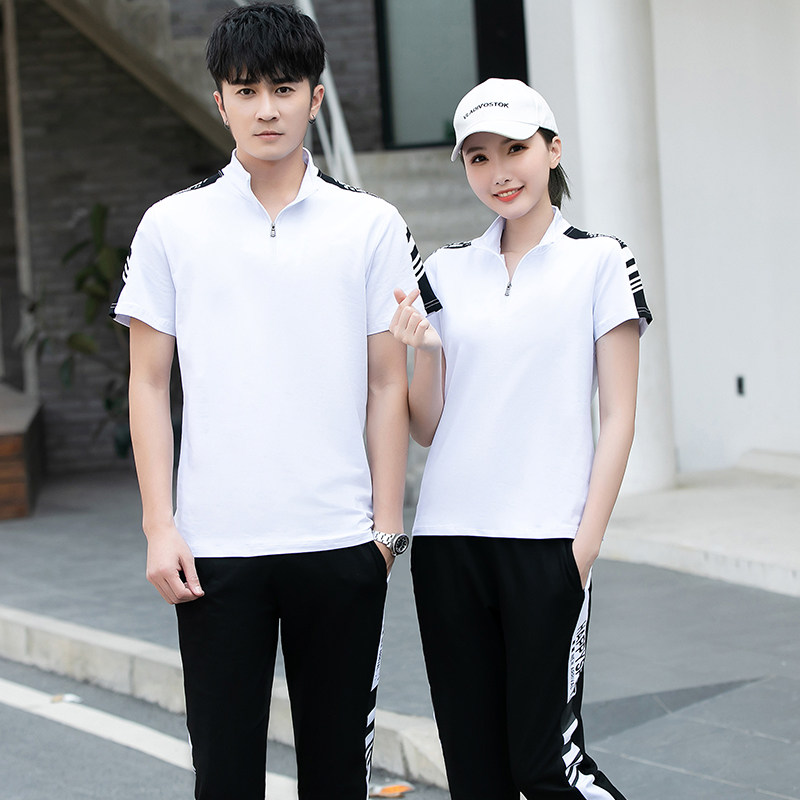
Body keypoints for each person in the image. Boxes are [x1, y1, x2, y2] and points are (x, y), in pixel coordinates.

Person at [112, 4, 419, 798]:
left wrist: (386, 531)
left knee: (337, 776)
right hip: (214, 550)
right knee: (224, 776)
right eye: (246, 90)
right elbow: (148, 382)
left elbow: (388, 382)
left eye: (284, 88)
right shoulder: (171, 225)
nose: (266, 108)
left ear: (315, 97)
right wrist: (159, 526)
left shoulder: (370, 224)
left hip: (339, 541)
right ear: (220, 101)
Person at [390, 78, 652, 799]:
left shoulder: (601, 260)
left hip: (547, 543)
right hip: (448, 545)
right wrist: (427, 353)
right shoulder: (445, 269)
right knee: (476, 775)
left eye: (514, 149)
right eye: (479, 157)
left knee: (548, 765)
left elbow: (620, 415)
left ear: (552, 150)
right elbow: (426, 426)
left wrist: (582, 549)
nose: (499, 172)